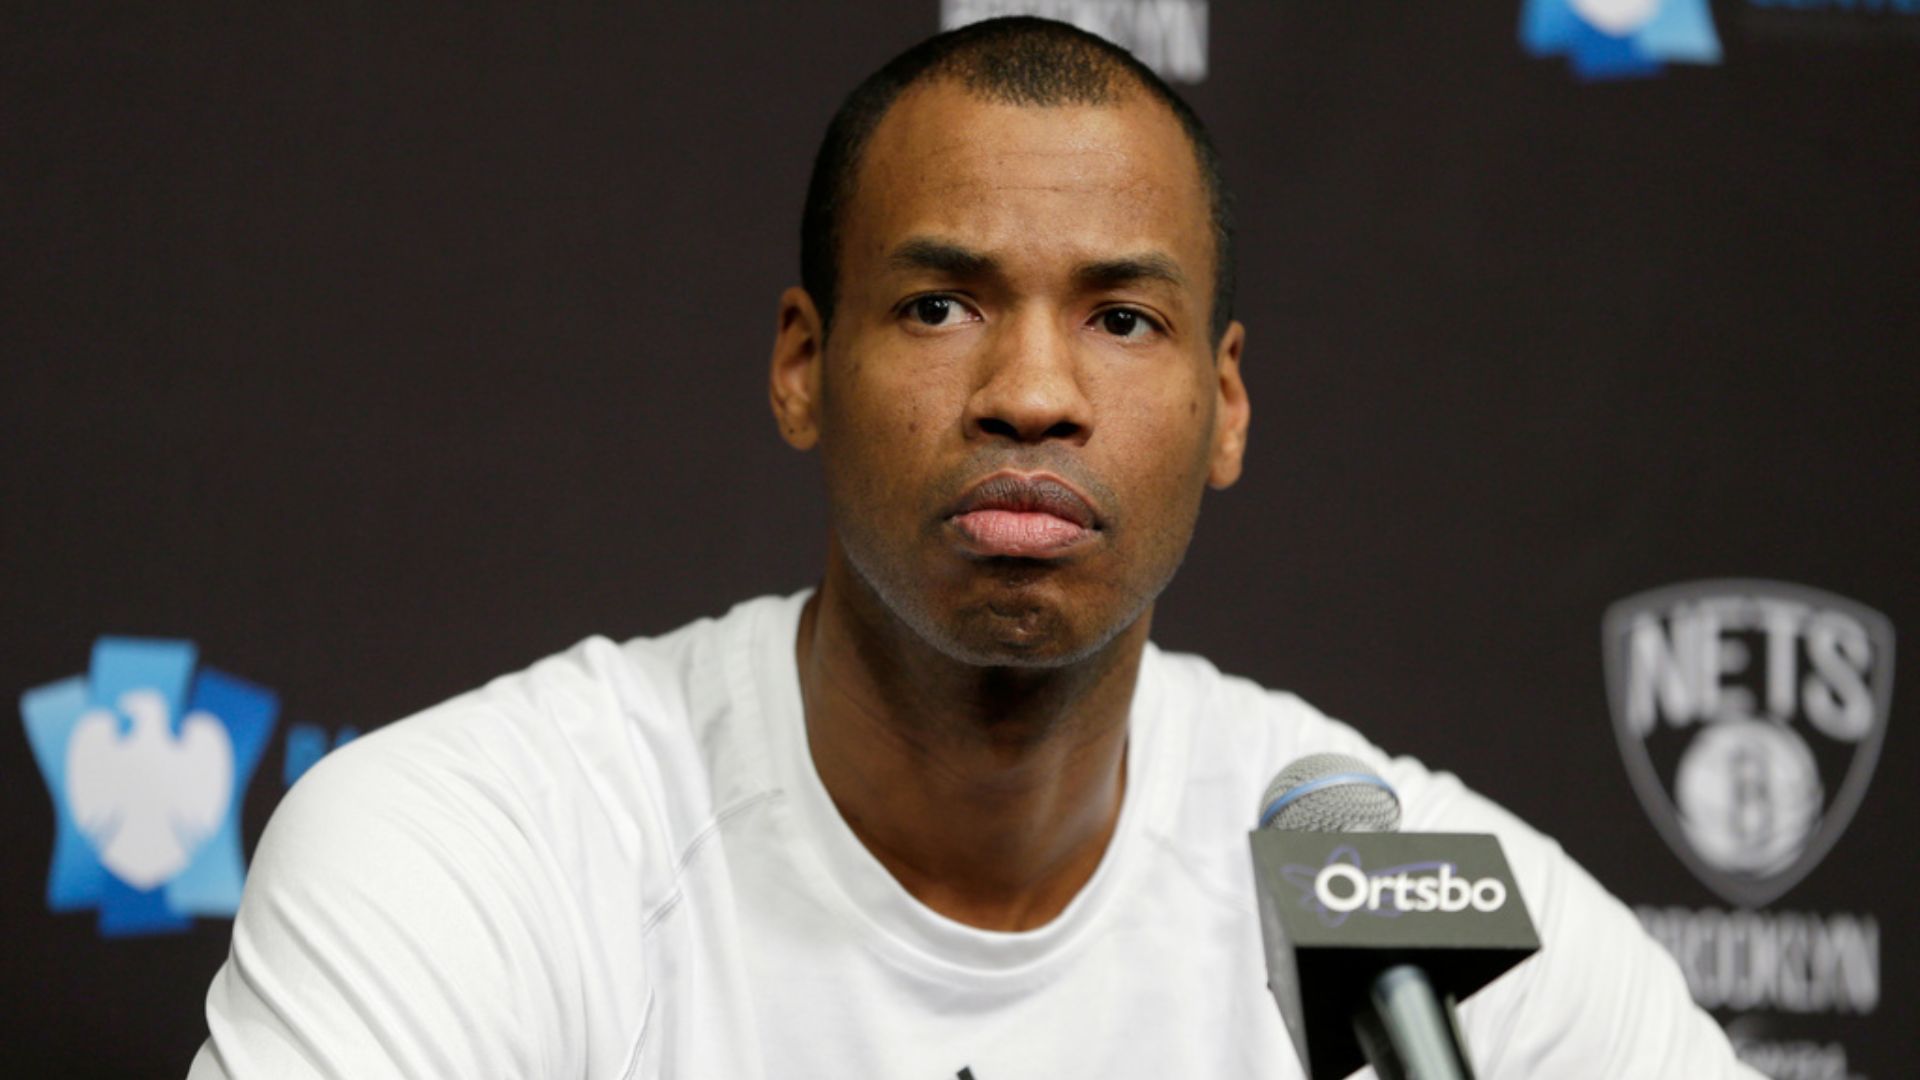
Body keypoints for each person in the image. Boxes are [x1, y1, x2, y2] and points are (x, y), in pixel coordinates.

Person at [190, 17, 1757, 1079]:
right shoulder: (480, 850)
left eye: (1123, 320)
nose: (1029, 393)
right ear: (804, 364)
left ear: (1225, 407)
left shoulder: (1386, 907)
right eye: (940, 306)